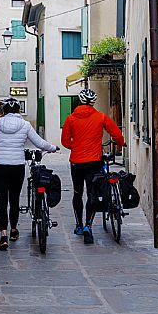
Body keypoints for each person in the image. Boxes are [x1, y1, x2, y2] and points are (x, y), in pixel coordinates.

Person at [0, 97, 59, 250]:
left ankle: (3, 235)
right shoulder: (25, 125)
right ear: (19, 110)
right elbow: (39, 143)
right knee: (14, 199)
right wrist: (53, 147)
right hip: (17, 166)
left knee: (1, 201)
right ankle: (14, 231)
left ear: (3, 110)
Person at [61, 88, 125, 245]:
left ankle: (78, 225)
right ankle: (88, 226)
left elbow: (65, 141)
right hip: (94, 162)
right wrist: (121, 143)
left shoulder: (70, 118)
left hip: (76, 162)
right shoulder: (101, 117)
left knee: (77, 193)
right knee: (92, 193)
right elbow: (116, 133)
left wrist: (75, 147)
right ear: (93, 102)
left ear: (80, 101)